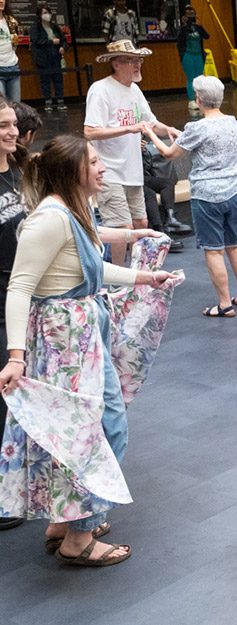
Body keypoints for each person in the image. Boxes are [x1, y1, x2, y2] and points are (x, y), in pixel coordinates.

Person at [0, 134, 174, 566]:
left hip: (82, 335)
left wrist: (142, 278)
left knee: (86, 428)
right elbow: (20, 286)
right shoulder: (51, 219)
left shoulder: (74, 212)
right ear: (72, 171)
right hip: (65, 341)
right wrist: (16, 355)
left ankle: (67, 521)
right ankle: (78, 536)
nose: (102, 168)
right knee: (98, 430)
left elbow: (91, 268)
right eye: (94, 162)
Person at [144, 76, 237, 319]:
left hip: (208, 197)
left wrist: (149, 133)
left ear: (198, 99)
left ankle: (225, 303)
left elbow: (169, 154)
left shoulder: (196, 128)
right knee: (234, 244)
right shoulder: (232, 122)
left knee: (214, 250)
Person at [84, 41, 181, 256]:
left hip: (133, 173)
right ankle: (120, 281)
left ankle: (136, 279)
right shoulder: (100, 90)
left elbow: (151, 123)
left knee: (141, 223)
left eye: (139, 60)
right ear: (116, 63)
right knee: (122, 230)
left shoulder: (135, 90)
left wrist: (170, 130)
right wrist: (129, 129)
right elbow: (90, 131)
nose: (137, 64)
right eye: (131, 60)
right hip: (109, 173)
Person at [0, 99, 27, 533]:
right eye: (3, 126)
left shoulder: (16, 172)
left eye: (12, 124)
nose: (11, 132)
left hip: (18, 296)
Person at [30, 7, 66, 111]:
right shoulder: (36, 27)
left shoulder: (54, 26)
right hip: (43, 58)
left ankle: (60, 101)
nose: (48, 15)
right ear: (40, 15)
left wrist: (63, 47)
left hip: (56, 56)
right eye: (45, 13)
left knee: (58, 79)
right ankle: (48, 102)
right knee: (45, 80)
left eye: (49, 13)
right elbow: (36, 41)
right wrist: (51, 42)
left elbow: (63, 40)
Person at [176, 5, 210, 111]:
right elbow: (179, 39)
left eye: (192, 15)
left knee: (199, 78)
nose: (191, 17)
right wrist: (185, 25)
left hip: (199, 55)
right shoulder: (183, 29)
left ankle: (199, 99)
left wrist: (200, 25)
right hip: (188, 55)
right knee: (191, 78)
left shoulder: (198, 28)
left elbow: (207, 36)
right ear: (184, 17)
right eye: (188, 15)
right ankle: (191, 100)